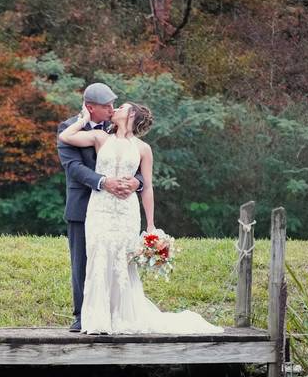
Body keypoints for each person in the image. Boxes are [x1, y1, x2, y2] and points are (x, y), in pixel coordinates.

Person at [58, 100, 223, 334]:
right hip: (100, 208)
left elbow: (147, 187)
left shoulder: (143, 149)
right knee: (98, 256)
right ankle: (97, 320)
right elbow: (66, 136)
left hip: (126, 212)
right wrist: (83, 119)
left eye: (121, 107)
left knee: (123, 262)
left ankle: (122, 317)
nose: (114, 109)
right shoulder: (100, 138)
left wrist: (152, 224)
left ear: (132, 115)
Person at [57, 83, 140, 332]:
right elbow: (73, 167)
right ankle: (83, 315)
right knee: (82, 260)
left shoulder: (116, 126)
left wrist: (138, 182)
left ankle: (114, 313)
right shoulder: (69, 127)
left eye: (113, 105)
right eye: (106, 106)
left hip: (116, 208)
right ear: (90, 107)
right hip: (83, 204)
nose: (112, 109)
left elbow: (136, 157)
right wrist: (104, 182)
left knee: (114, 258)